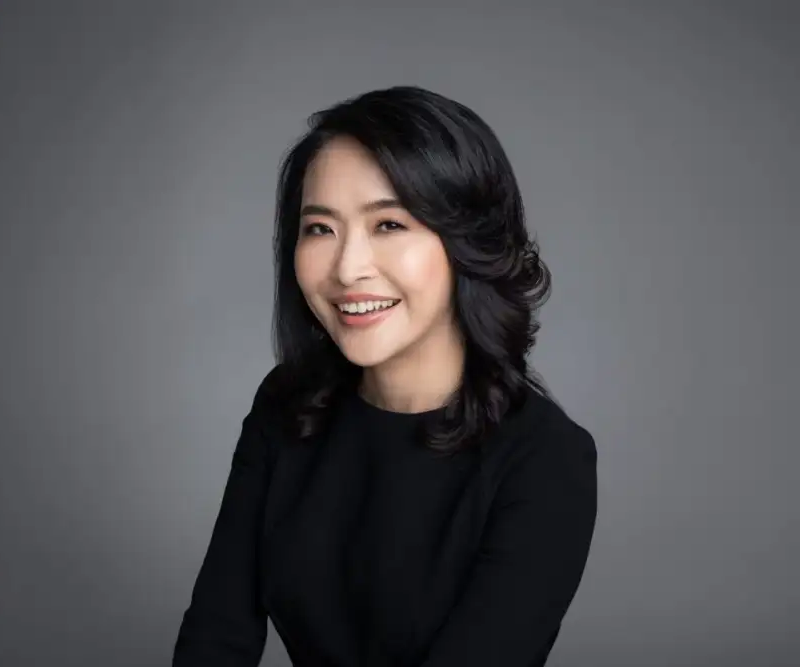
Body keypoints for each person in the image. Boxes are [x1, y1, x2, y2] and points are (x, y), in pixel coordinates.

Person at [171, 85, 598, 667]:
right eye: (320, 228)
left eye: (390, 225)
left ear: (465, 242)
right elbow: (215, 637)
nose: (348, 268)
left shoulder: (545, 458)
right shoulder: (289, 404)